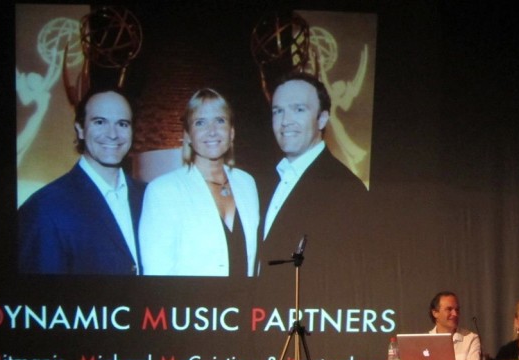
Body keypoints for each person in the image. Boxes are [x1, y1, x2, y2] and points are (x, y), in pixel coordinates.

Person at [258, 71, 369, 286]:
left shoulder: (346, 190)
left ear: (322, 119)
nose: (285, 121)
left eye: (298, 109)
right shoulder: (262, 182)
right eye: (278, 111)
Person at [18, 87, 145, 275]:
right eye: (100, 122)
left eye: (122, 124)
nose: (112, 134)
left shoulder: (149, 196)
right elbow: (40, 297)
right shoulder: (44, 207)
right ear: (80, 130)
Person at [139, 88, 259, 276]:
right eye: (200, 122)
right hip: (192, 304)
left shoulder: (247, 184)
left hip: (245, 303)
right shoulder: (163, 191)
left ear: (232, 132)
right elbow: (157, 278)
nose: (212, 131)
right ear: (188, 136)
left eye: (220, 121)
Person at [427, 292, 481, 360]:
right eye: (449, 309)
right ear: (435, 313)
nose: (455, 314)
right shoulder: (426, 341)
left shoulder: (470, 338)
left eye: (457, 310)